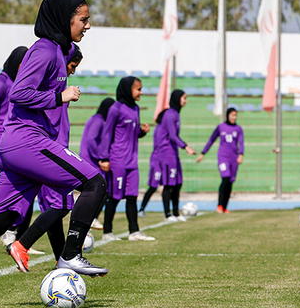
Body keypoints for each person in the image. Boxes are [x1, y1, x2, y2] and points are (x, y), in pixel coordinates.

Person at [0, 0, 109, 308]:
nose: (88, 26)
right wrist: (59, 97)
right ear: (65, 18)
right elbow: (20, 93)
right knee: (95, 182)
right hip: (25, 140)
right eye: (84, 19)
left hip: (20, 144)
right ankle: (71, 254)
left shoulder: (59, 52)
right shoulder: (45, 51)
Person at [7, 47, 83, 272]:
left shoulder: (60, 90)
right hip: (51, 152)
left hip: (57, 150)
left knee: (57, 207)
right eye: (71, 66)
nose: (72, 72)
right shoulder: (51, 91)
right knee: (61, 205)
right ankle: (22, 244)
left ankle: (61, 263)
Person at [0, 46, 34, 248]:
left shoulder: (20, 83)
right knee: (18, 186)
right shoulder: (0, 83)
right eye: (23, 63)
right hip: (4, 144)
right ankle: (9, 233)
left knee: (26, 185)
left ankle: (17, 237)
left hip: (19, 142)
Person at [98, 76, 155, 242]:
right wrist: (104, 158)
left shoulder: (135, 109)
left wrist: (142, 131)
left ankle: (134, 232)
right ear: (127, 89)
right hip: (118, 160)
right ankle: (107, 232)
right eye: (138, 89)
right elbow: (107, 133)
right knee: (115, 196)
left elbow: (133, 133)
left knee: (132, 196)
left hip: (132, 161)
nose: (141, 92)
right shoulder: (116, 108)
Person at [138, 89, 197, 221]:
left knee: (177, 183)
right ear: (177, 99)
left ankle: (176, 212)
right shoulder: (170, 114)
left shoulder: (176, 114)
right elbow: (172, 136)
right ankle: (167, 214)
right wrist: (186, 146)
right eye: (184, 98)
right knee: (167, 183)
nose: (186, 100)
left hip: (173, 152)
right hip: (166, 154)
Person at [196, 107, 244, 213]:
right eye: (232, 115)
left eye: (236, 115)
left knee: (230, 182)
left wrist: (241, 155)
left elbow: (241, 142)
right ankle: (220, 205)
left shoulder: (238, 129)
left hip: (233, 158)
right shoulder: (221, 127)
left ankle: (225, 206)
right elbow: (211, 140)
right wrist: (203, 153)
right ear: (227, 115)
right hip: (223, 157)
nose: (234, 117)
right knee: (225, 178)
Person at [79, 97, 115, 230]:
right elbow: (91, 140)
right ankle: (90, 218)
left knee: (101, 190)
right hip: (91, 160)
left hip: (92, 159)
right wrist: (100, 157)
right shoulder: (98, 120)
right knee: (101, 190)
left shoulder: (98, 119)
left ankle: (90, 218)